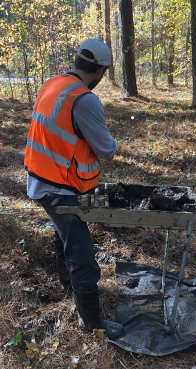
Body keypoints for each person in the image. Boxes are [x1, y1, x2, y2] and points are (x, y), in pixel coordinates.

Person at [24, 39, 123, 339]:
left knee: (64, 236)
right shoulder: (85, 99)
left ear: (78, 60)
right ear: (101, 70)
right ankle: (91, 323)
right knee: (82, 255)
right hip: (57, 187)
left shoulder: (52, 83)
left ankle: (69, 290)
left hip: (39, 176)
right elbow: (107, 149)